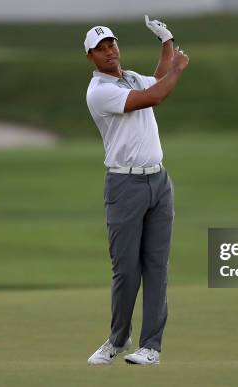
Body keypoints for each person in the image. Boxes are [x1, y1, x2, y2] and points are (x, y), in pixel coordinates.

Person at [84, 16, 189, 365]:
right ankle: (118, 338)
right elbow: (155, 96)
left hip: (159, 182)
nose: (109, 50)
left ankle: (151, 347)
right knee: (126, 269)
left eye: (111, 44)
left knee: (157, 267)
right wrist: (179, 68)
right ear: (91, 58)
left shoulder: (129, 78)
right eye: (101, 48)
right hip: (124, 185)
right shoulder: (99, 92)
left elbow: (156, 80)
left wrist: (166, 42)